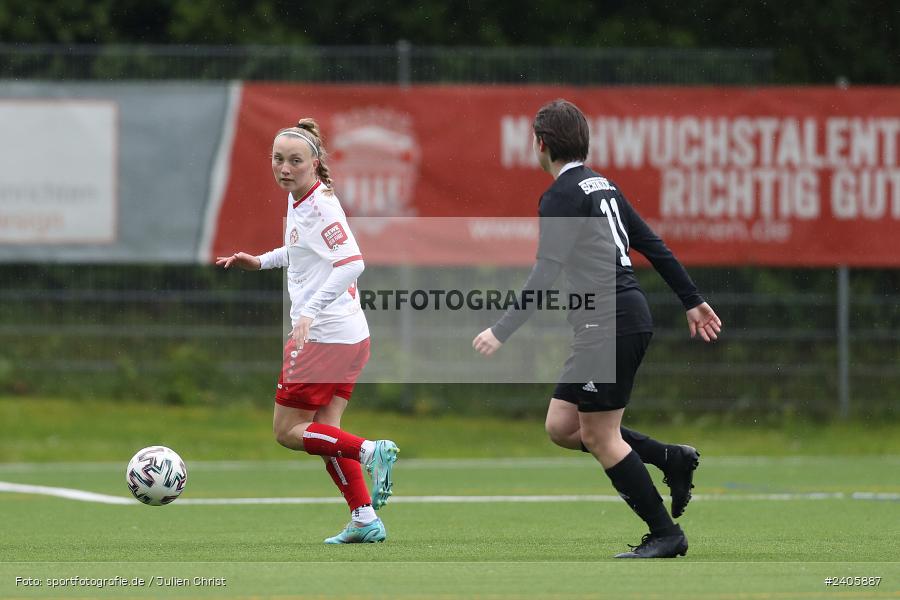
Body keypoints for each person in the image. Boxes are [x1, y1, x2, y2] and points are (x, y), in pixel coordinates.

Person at [473, 99, 722, 558]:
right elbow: (653, 244)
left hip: (608, 323)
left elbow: (546, 270)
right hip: (616, 319)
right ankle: (671, 458)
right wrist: (692, 300)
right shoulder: (603, 186)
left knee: (600, 436)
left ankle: (666, 534)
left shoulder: (561, 195)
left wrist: (502, 329)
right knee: (563, 426)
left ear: (541, 144)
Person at [217, 118, 398, 544]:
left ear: (315, 163)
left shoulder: (320, 206)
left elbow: (353, 262)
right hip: (351, 337)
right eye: (278, 159)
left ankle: (370, 451)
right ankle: (364, 518)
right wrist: (259, 261)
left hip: (324, 339)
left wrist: (309, 313)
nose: (284, 168)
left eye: (295, 161)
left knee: (287, 431)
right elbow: (301, 251)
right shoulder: (303, 199)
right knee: (324, 431)